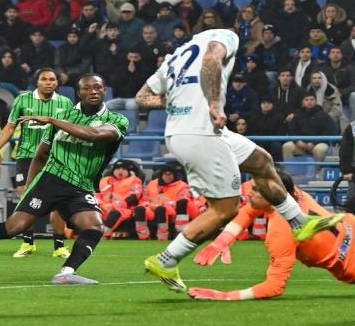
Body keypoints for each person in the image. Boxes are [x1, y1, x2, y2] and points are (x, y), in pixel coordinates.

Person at [135, 28, 343, 292]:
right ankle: (167, 259)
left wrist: (177, 99)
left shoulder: (175, 57)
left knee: (261, 161)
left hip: (193, 131)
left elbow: (141, 98)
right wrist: (213, 103)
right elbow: (211, 58)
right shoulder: (223, 36)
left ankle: (299, 223)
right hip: (200, 132)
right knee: (226, 209)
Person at [0, 74, 129, 285]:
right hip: (51, 180)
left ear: (104, 90)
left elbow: (94, 134)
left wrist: (52, 120)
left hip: (81, 186)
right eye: (87, 88)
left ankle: (65, 273)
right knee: (13, 228)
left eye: (97, 87)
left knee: (94, 227)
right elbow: (41, 155)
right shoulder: (64, 116)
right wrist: (30, 186)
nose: (93, 91)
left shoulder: (117, 120)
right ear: (79, 93)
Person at [189, 171, 354, 301]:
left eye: (255, 189)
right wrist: (223, 239)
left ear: (272, 194)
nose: (248, 193)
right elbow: (247, 212)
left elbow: (274, 287)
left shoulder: (281, 232)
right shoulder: (290, 193)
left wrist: (226, 296)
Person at [0, 68, 74, 259]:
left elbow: (71, 129)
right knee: (25, 197)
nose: (48, 82)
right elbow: (10, 126)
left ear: (57, 82)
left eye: (52, 79)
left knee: (58, 201)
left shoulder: (65, 103)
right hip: (27, 155)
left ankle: (59, 246)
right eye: (44, 79)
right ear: (37, 82)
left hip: (55, 157)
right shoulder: (22, 100)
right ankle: (28, 243)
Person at [134, 163, 191, 241]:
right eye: (165, 174)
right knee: (139, 209)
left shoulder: (182, 185)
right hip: (151, 208)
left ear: (174, 175)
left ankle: (162, 237)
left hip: (171, 210)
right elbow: (143, 200)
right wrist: (150, 204)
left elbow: (183, 201)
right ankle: (143, 236)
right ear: (161, 175)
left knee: (161, 209)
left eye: (170, 174)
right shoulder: (152, 184)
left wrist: (162, 203)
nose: (167, 176)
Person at [96, 159, 143, 238]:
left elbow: (134, 197)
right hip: (104, 207)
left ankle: (102, 235)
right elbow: (96, 194)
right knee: (91, 211)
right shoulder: (104, 180)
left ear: (128, 171)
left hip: (125, 209)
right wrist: (102, 205)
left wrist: (115, 205)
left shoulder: (135, 180)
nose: (120, 171)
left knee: (115, 213)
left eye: (124, 169)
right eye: (117, 168)